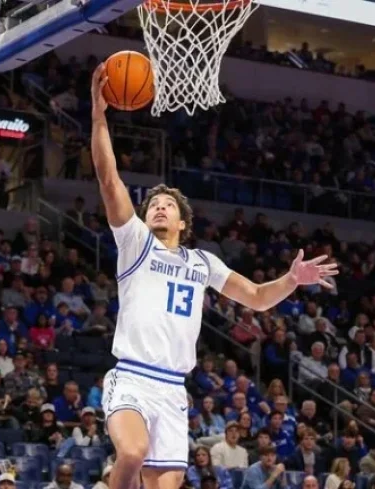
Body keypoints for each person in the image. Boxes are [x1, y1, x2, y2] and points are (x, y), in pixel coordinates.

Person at [89, 65, 338, 489]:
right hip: (132, 375)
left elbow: (258, 297)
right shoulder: (135, 243)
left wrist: (292, 279)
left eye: (168, 205)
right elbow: (109, 180)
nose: (159, 208)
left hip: (172, 389)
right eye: (154, 205)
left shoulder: (203, 263)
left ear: (184, 223)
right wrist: (99, 117)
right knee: (131, 451)